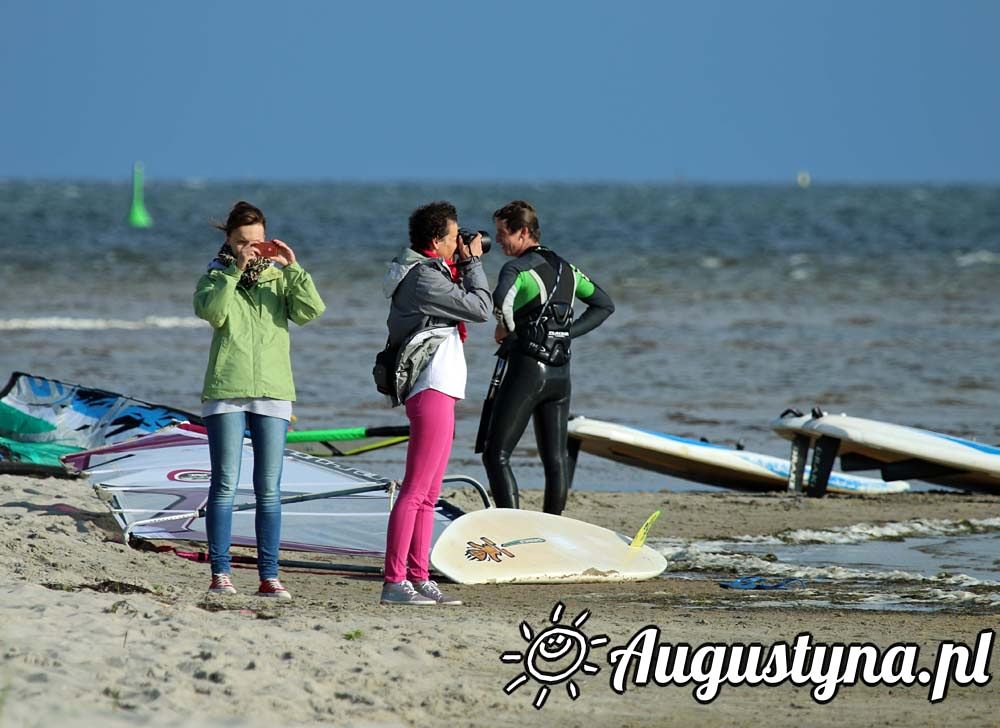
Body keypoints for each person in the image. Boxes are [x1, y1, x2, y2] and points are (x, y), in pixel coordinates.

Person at [194, 200, 326, 599]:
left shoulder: (279, 277)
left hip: (274, 390)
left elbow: (311, 312)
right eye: (241, 242)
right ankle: (221, 574)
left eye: (257, 241)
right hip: (226, 389)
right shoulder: (215, 275)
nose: (251, 248)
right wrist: (234, 272)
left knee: (269, 489)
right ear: (230, 242)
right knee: (225, 485)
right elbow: (212, 314)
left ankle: (269, 576)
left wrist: (294, 267)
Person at [379, 201, 491, 606]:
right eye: (453, 236)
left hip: (441, 387)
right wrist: (475, 264)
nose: (458, 242)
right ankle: (394, 581)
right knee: (414, 490)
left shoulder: (434, 272)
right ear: (435, 240)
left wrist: (462, 262)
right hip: (429, 387)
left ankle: (419, 575)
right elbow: (480, 308)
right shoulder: (424, 278)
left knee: (429, 492)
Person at [481, 200, 614, 515]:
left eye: (502, 233)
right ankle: (552, 528)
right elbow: (604, 305)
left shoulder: (517, 267)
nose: (498, 241)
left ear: (523, 231)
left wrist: (506, 330)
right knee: (555, 459)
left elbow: (500, 302)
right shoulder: (569, 269)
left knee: (495, 455)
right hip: (560, 374)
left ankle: (511, 528)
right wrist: (567, 334)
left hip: (528, 371)